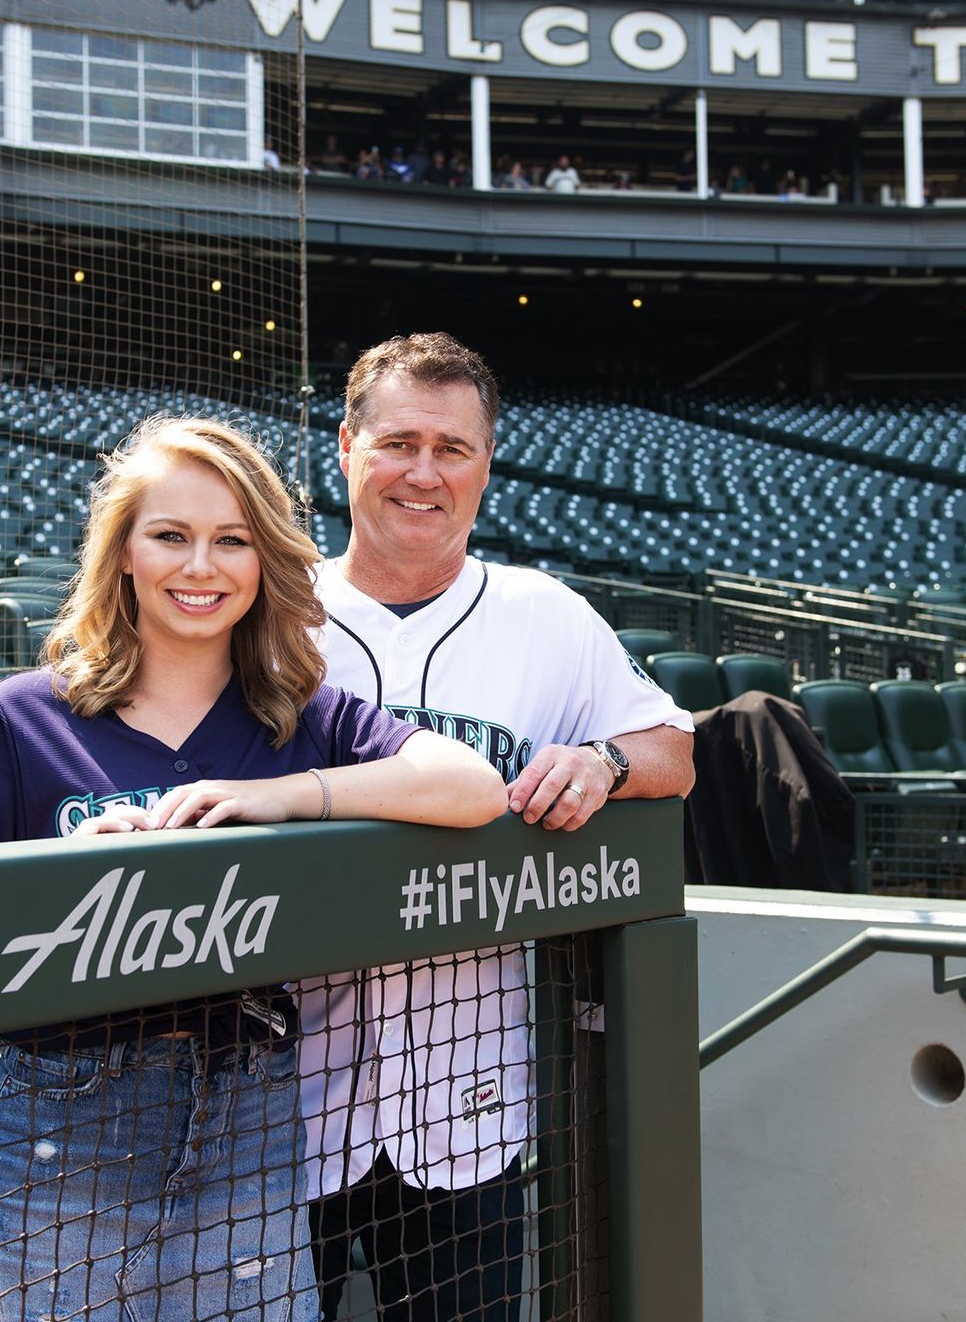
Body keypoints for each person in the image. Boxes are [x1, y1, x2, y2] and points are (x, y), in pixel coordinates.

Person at [0, 416, 507, 1322]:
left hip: (250, 1109)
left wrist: (285, 796)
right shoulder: (25, 717)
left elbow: (472, 787)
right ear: (122, 556)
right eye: (171, 537)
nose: (201, 567)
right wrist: (55, 878)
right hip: (65, 1118)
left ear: (264, 561)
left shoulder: (300, 717)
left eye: (232, 540)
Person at [299, 333, 695, 1322]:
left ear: (486, 462)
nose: (423, 473)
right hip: (282, 1104)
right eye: (397, 442)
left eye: (453, 447)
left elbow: (673, 752)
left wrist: (605, 763)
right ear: (346, 447)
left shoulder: (543, 614)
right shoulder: (271, 613)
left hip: (467, 1101)